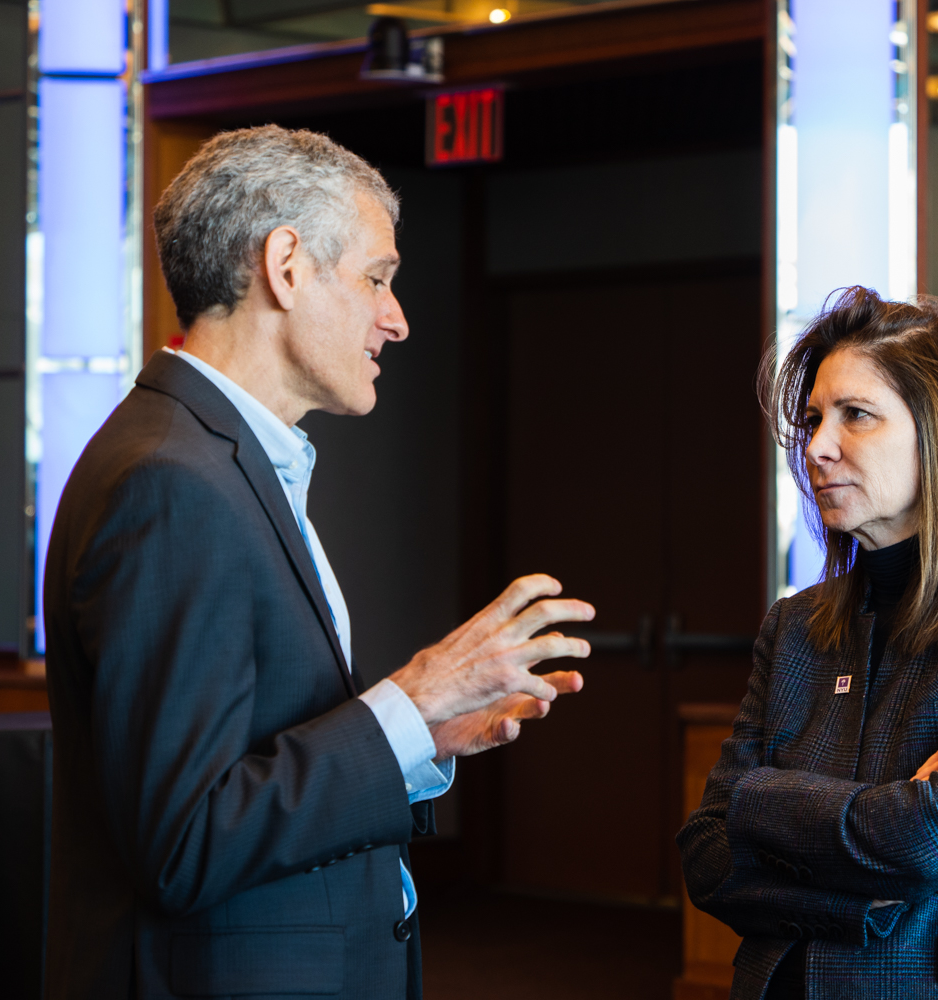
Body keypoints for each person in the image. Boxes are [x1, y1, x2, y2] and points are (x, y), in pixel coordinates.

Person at [43, 125, 595, 999]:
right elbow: (184, 842)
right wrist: (414, 700)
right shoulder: (170, 483)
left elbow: (255, 761)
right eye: (378, 277)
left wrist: (421, 740)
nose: (398, 317)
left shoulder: (220, 460)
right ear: (287, 266)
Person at [677, 288, 938, 1000]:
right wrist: (868, 882)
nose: (817, 446)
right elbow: (706, 858)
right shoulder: (794, 626)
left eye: (856, 416)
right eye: (813, 419)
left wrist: (761, 800)